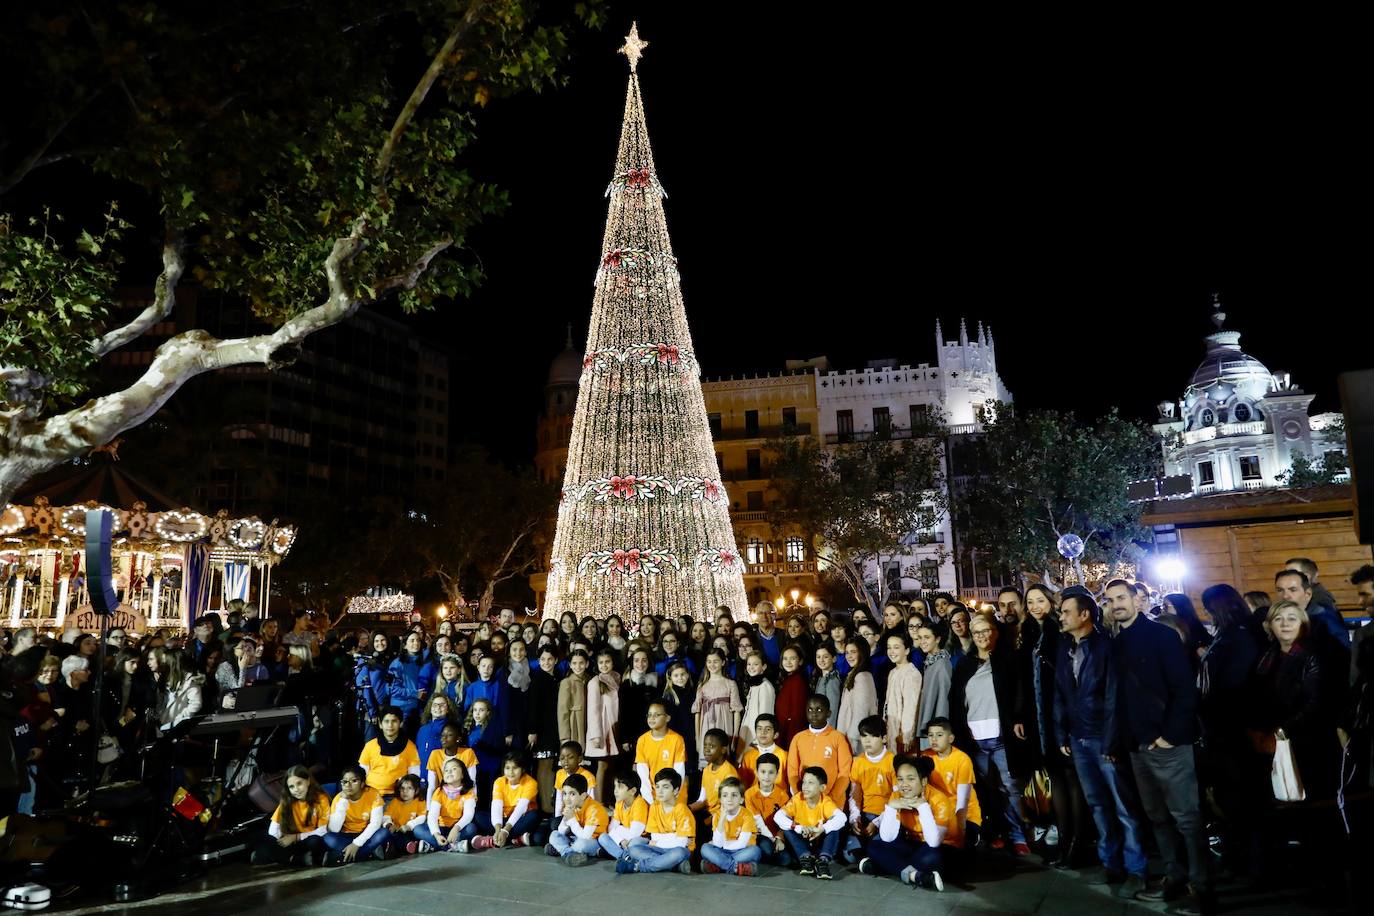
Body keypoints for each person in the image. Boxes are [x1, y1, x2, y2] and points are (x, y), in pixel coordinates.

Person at [1104, 578, 1210, 913]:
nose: (1116, 604)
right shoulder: (1116, 642)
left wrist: (1169, 735)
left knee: (1187, 818)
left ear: (1137, 600)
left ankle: (1202, 890)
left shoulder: (1162, 636)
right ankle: (1174, 877)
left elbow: (1184, 689)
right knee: (1157, 818)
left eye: (1122, 597)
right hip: (1137, 746)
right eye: (1110, 600)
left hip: (1167, 744)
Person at [1054, 588, 1147, 897]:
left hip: (1102, 737)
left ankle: (1137, 869)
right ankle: (1112, 864)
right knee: (1097, 805)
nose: (1062, 616)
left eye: (1067, 611)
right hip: (1078, 738)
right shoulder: (1065, 648)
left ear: (1084, 615)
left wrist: (1110, 741)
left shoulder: (1106, 647)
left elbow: (1112, 696)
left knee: (1123, 806)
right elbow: (1061, 694)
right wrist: (1062, 732)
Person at [1197, 583, 1267, 877]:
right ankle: (1242, 858)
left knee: (1241, 800)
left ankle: (1250, 863)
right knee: (1234, 799)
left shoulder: (1238, 637)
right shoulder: (1232, 635)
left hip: (1233, 732)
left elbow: (1234, 686)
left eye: (1210, 608)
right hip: (1225, 730)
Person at [947, 612, 1029, 855]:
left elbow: (1019, 692)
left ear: (995, 631)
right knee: (984, 788)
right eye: (976, 632)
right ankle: (994, 832)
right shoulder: (965, 664)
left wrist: (1017, 719)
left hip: (1002, 735)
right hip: (974, 737)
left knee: (1010, 787)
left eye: (985, 630)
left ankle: (1017, 835)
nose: (981, 636)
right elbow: (955, 701)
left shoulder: (1007, 660)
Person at [1251, 600, 1341, 800]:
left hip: (1306, 741)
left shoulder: (1312, 657)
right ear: (1270, 625)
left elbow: (1314, 704)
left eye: (1292, 619)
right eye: (1278, 619)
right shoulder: (1267, 655)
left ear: (1303, 624)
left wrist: (1279, 732)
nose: (1285, 624)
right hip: (1271, 740)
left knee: (1310, 798)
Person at [857, 755, 951, 891]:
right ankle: (915, 876)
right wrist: (890, 808)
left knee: (931, 858)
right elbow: (887, 838)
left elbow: (934, 842)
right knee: (874, 846)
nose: (904, 784)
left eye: (911, 779)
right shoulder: (896, 796)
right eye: (900, 779)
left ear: (923, 781)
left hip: (940, 847)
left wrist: (923, 807)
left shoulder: (939, 800)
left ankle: (884, 866)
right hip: (912, 844)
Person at [614, 767, 694, 874]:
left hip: (678, 850)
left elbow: (682, 842)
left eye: (665, 787)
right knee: (634, 849)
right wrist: (671, 837)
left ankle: (638, 866)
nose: (660, 791)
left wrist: (658, 842)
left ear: (676, 790)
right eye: (657, 787)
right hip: (659, 849)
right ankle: (671, 865)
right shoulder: (654, 807)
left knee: (678, 853)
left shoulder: (682, 809)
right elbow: (654, 836)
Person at [921, 718, 982, 853]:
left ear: (950, 738)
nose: (934, 739)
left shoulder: (962, 759)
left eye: (939, 735)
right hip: (939, 812)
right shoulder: (926, 755)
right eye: (931, 735)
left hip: (964, 814)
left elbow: (963, 800)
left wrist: (960, 827)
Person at [774, 765, 845, 879]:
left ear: (822, 787)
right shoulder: (798, 798)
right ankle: (806, 858)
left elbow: (842, 817)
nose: (805, 787)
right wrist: (798, 828)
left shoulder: (825, 801)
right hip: (802, 842)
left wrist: (821, 829)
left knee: (834, 827)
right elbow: (778, 816)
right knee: (787, 828)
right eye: (804, 782)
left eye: (810, 783)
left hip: (819, 842)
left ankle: (822, 861)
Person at [252, 765, 330, 866]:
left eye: (299, 784)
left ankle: (273, 857)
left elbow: (323, 830)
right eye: (292, 787)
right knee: (258, 837)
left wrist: (295, 837)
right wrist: (279, 841)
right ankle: (295, 859)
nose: (296, 789)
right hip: (290, 842)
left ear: (308, 781)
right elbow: (273, 830)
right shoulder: (287, 800)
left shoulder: (321, 798)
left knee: (315, 842)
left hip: (307, 839)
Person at [785, 695, 852, 808]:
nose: (814, 714)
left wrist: (831, 798)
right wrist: (801, 795)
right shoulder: (798, 738)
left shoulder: (838, 737)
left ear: (829, 713)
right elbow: (792, 772)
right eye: (810, 710)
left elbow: (845, 773)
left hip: (832, 803)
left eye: (819, 710)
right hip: (805, 802)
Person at [465, 750, 539, 851]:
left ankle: (493, 840)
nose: (511, 772)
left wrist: (505, 831)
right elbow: (496, 806)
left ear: (523, 769)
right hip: (503, 820)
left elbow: (520, 809)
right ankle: (515, 839)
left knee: (534, 816)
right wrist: (498, 829)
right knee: (479, 816)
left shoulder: (530, 783)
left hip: (520, 819)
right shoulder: (499, 782)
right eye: (507, 768)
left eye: (515, 768)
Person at [845, 715, 895, 863]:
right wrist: (855, 818)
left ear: (884, 738)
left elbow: (897, 799)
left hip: (887, 816)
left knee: (879, 848)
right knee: (849, 855)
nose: (867, 741)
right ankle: (869, 858)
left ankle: (874, 857)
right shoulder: (859, 762)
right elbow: (855, 794)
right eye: (863, 736)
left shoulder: (893, 761)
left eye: (873, 736)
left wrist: (878, 822)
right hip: (865, 815)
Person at [323, 765, 389, 864]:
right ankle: (368, 854)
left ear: (362, 784)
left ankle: (343, 856)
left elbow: (375, 824)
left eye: (354, 781)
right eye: (345, 782)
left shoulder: (373, 794)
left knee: (384, 832)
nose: (348, 785)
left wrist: (356, 844)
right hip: (346, 836)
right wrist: (343, 801)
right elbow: (334, 829)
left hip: (367, 835)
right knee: (328, 838)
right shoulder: (339, 799)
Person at [1275, 568, 1349, 648]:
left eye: (1293, 590)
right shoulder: (1273, 622)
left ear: (1308, 594)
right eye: (1280, 590)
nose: (1285, 596)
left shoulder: (1325, 621)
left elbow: (1341, 655)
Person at [700, 776, 759, 876]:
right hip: (722, 850)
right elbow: (718, 844)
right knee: (705, 848)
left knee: (755, 851)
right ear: (720, 799)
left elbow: (742, 844)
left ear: (741, 799)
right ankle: (736, 867)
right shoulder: (717, 815)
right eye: (725, 795)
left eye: (734, 795)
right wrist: (722, 819)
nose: (729, 799)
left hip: (741, 851)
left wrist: (723, 846)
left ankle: (718, 865)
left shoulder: (747, 815)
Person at [358, 706, 420, 798]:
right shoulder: (370, 746)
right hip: (370, 794)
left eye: (394, 721)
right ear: (380, 724)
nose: (390, 725)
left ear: (401, 723)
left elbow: (414, 776)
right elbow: (361, 774)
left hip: (398, 797)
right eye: (386, 721)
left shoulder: (410, 747)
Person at [547, 772, 608, 866]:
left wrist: (571, 820)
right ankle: (569, 853)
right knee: (554, 835)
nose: (567, 798)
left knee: (581, 844)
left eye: (572, 794)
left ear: (583, 795)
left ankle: (562, 850)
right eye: (565, 793)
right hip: (575, 838)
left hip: (594, 840)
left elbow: (585, 836)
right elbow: (561, 831)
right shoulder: (573, 804)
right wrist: (566, 819)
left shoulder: (594, 809)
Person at [584, 650, 621, 801]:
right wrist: (596, 735)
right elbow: (593, 710)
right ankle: (599, 802)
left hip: (614, 726)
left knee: (611, 766)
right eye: (601, 662)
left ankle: (607, 799)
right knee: (602, 766)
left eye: (607, 662)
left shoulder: (616, 678)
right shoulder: (595, 682)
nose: (604, 665)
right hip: (602, 728)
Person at [744, 752, 792, 868]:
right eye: (763, 772)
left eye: (771, 772)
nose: (766, 776)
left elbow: (784, 822)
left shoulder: (783, 795)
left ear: (777, 774)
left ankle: (762, 857)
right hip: (759, 834)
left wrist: (779, 839)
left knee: (786, 860)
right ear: (756, 772)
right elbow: (757, 822)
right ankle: (757, 855)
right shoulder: (750, 794)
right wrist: (772, 840)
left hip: (776, 835)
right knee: (767, 849)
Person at [692, 650, 742, 760]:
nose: (712, 665)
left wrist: (735, 736)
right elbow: (697, 713)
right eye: (709, 662)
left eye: (716, 661)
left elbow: (736, 710)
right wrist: (698, 738)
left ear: (723, 662)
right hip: (707, 725)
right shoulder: (702, 686)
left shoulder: (730, 684)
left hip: (724, 724)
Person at [634, 701, 687, 803]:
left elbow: (679, 772)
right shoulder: (642, 740)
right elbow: (643, 775)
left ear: (667, 718)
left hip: (674, 794)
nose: (651, 718)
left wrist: (672, 797)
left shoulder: (677, 739)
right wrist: (650, 801)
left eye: (656, 715)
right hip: (652, 796)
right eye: (649, 715)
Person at [419, 756, 476, 851]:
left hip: (458, 828)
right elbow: (432, 816)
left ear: (462, 774)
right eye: (446, 770)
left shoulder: (469, 793)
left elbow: (468, 815)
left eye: (453, 769)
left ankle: (434, 846)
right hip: (441, 827)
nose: (449, 772)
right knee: (418, 829)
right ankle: (453, 846)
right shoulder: (439, 792)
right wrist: (437, 834)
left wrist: (456, 828)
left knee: (471, 828)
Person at [691, 728, 740, 832]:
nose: (707, 750)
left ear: (723, 749)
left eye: (712, 746)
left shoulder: (729, 772)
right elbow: (702, 800)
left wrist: (712, 819)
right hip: (708, 812)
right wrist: (687, 809)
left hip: (723, 815)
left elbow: (731, 806)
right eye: (705, 746)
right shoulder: (706, 770)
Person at [837, 639, 879, 755]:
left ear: (862, 653)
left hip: (855, 741)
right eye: (847, 652)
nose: (849, 656)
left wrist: (852, 738)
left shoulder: (862, 677)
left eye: (853, 652)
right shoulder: (855, 675)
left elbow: (861, 712)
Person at [883, 632, 922, 755]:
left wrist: (907, 735)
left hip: (903, 734)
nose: (891, 651)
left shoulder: (911, 673)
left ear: (906, 650)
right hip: (892, 729)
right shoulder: (893, 672)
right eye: (889, 647)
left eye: (896, 647)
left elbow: (911, 707)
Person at [914, 626, 951, 750]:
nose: (922, 641)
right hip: (930, 725)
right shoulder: (930, 662)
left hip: (936, 728)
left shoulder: (942, 664)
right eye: (920, 638)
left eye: (927, 637)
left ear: (937, 639)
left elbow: (943, 699)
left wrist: (940, 731)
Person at [599, 770, 649, 860]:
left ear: (632, 791)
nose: (616, 791)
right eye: (615, 787)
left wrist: (618, 832)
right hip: (624, 839)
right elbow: (611, 828)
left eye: (620, 787)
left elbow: (635, 834)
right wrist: (620, 840)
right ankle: (624, 856)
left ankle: (616, 853)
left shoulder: (640, 804)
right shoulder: (619, 803)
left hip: (641, 838)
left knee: (633, 844)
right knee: (602, 837)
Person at [425, 722, 478, 803]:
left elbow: (472, 782)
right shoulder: (435, 755)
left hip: (463, 797)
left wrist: (471, 803)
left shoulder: (468, 753)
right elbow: (431, 786)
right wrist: (429, 808)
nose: (444, 738)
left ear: (458, 739)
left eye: (449, 735)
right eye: (442, 735)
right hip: (442, 799)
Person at [738, 713, 788, 792]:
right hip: (754, 798)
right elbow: (743, 782)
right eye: (759, 729)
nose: (763, 732)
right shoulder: (748, 756)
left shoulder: (784, 756)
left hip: (778, 798)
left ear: (776, 735)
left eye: (767, 729)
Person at [381, 773, 428, 856]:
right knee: (389, 834)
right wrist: (389, 825)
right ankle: (404, 847)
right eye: (402, 788)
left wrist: (409, 826)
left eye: (409, 788)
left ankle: (405, 846)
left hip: (410, 831)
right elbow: (386, 816)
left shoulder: (420, 802)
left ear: (416, 790)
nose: (405, 791)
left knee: (413, 834)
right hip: (397, 830)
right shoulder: (395, 801)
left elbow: (422, 817)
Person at [737, 652, 775, 751]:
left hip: (756, 739)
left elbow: (765, 715)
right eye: (749, 664)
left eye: (756, 664)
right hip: (748, 733)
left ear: (764, 666)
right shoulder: (754, 685)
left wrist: (758, 741)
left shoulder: (765, 687)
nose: (751, 667)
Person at [775, 646, 809, 748]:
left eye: (793, 658)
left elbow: (797, 715)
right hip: (783, 729)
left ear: (800, 661)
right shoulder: (788, 679)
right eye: (785, 659)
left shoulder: (798, 681)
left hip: (790, 733)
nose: (788, 662)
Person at [552, 740, 596, 820]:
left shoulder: (588, 777)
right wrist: (557, 817)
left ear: (580, 759)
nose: (565, 761)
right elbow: (559, 799)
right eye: (562, 758)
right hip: (566, 814)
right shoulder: (560, 774)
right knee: (554, 825)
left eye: (570, 757)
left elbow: (591, 802)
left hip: (583, 816)